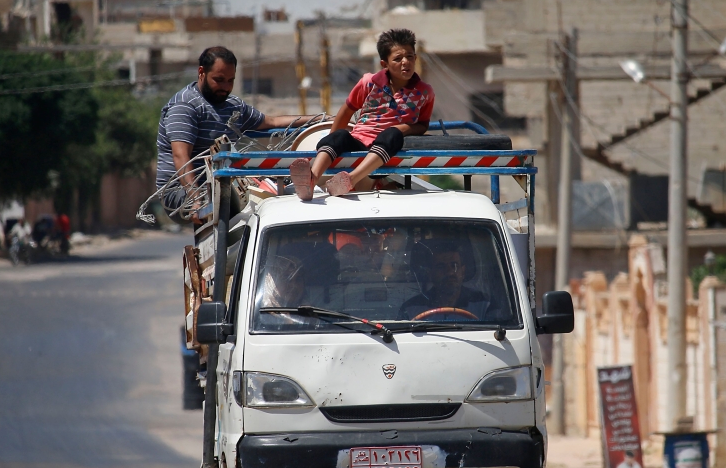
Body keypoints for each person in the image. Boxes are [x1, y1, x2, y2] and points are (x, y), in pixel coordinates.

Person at [157, 46, 311, 223]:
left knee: (280, 195)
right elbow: (180, 156)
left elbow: (272, 122)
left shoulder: (233, 105)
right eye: (219, 80)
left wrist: (322, 119)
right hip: (181, 191)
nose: (225, 87)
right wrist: (196, 199)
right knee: (237, 203)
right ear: (201, 72)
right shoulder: (185, 106)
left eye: (230, 81)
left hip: (222, 183)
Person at [289, 28, 435, 200]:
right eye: (398, 58)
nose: (406, 62)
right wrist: (328, 143)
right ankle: (311, 179)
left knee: (392, 134)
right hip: (359, 142)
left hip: (388, 149)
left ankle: (350, 179)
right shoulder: (368, 83)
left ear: (415, 58)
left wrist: (403, 128)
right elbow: (345, 113)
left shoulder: (425, 92)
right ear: (384, 64)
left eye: (410, 56)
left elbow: (423, 125)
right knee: (340, 136)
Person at [399, 240, 489, 320]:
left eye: (454, 266)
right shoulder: (411, 309)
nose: (449, 272)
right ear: (430, 273)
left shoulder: (483, 305)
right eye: (441, 267)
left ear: (463, 271)